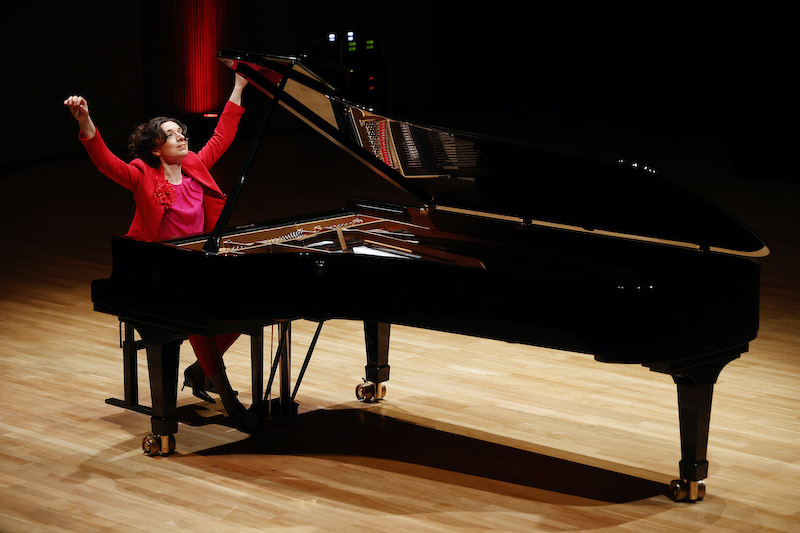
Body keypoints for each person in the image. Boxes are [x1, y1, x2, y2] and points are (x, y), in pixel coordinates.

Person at [64, 73, 249, 421]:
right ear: (155, 148)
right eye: (171, 135)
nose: (182, 138)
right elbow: (105, 162)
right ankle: (226, 395)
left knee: (241, 313)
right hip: (158, 271)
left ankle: (198, 372)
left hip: (197, 265)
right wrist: (85, 121)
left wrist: (238, 86)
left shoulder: (195, 166)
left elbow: (223, 136)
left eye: (182, 133)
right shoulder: (141, 175)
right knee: (198, 322)